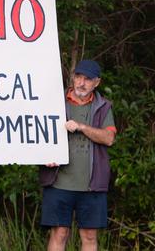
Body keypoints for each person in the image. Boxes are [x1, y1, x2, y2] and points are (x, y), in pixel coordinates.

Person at [39, 59, 117, 251]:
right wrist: (44, 155)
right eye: (78, 77)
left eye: (87, 79)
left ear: (97, 82)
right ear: (73, 77)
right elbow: (39, 135)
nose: (81, 83)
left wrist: (81, 127)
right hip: (58, 181)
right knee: (59, 233)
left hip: (92, 184)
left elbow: (108, 138)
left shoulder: (103, 106)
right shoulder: (55, 101)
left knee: (89, 236)